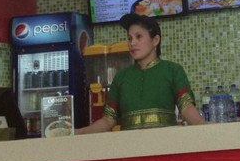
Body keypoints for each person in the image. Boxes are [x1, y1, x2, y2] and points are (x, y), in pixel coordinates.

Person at [76, 13, 206, 132]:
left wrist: (201, 124)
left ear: (155, 40)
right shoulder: (121, 77)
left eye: (138, 37)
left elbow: (186, 107)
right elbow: (108, 120)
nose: (132, 43)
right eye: (129, 38)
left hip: (165, 146)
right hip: (129, 147)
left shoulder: (173, 70)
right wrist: (79, 132)